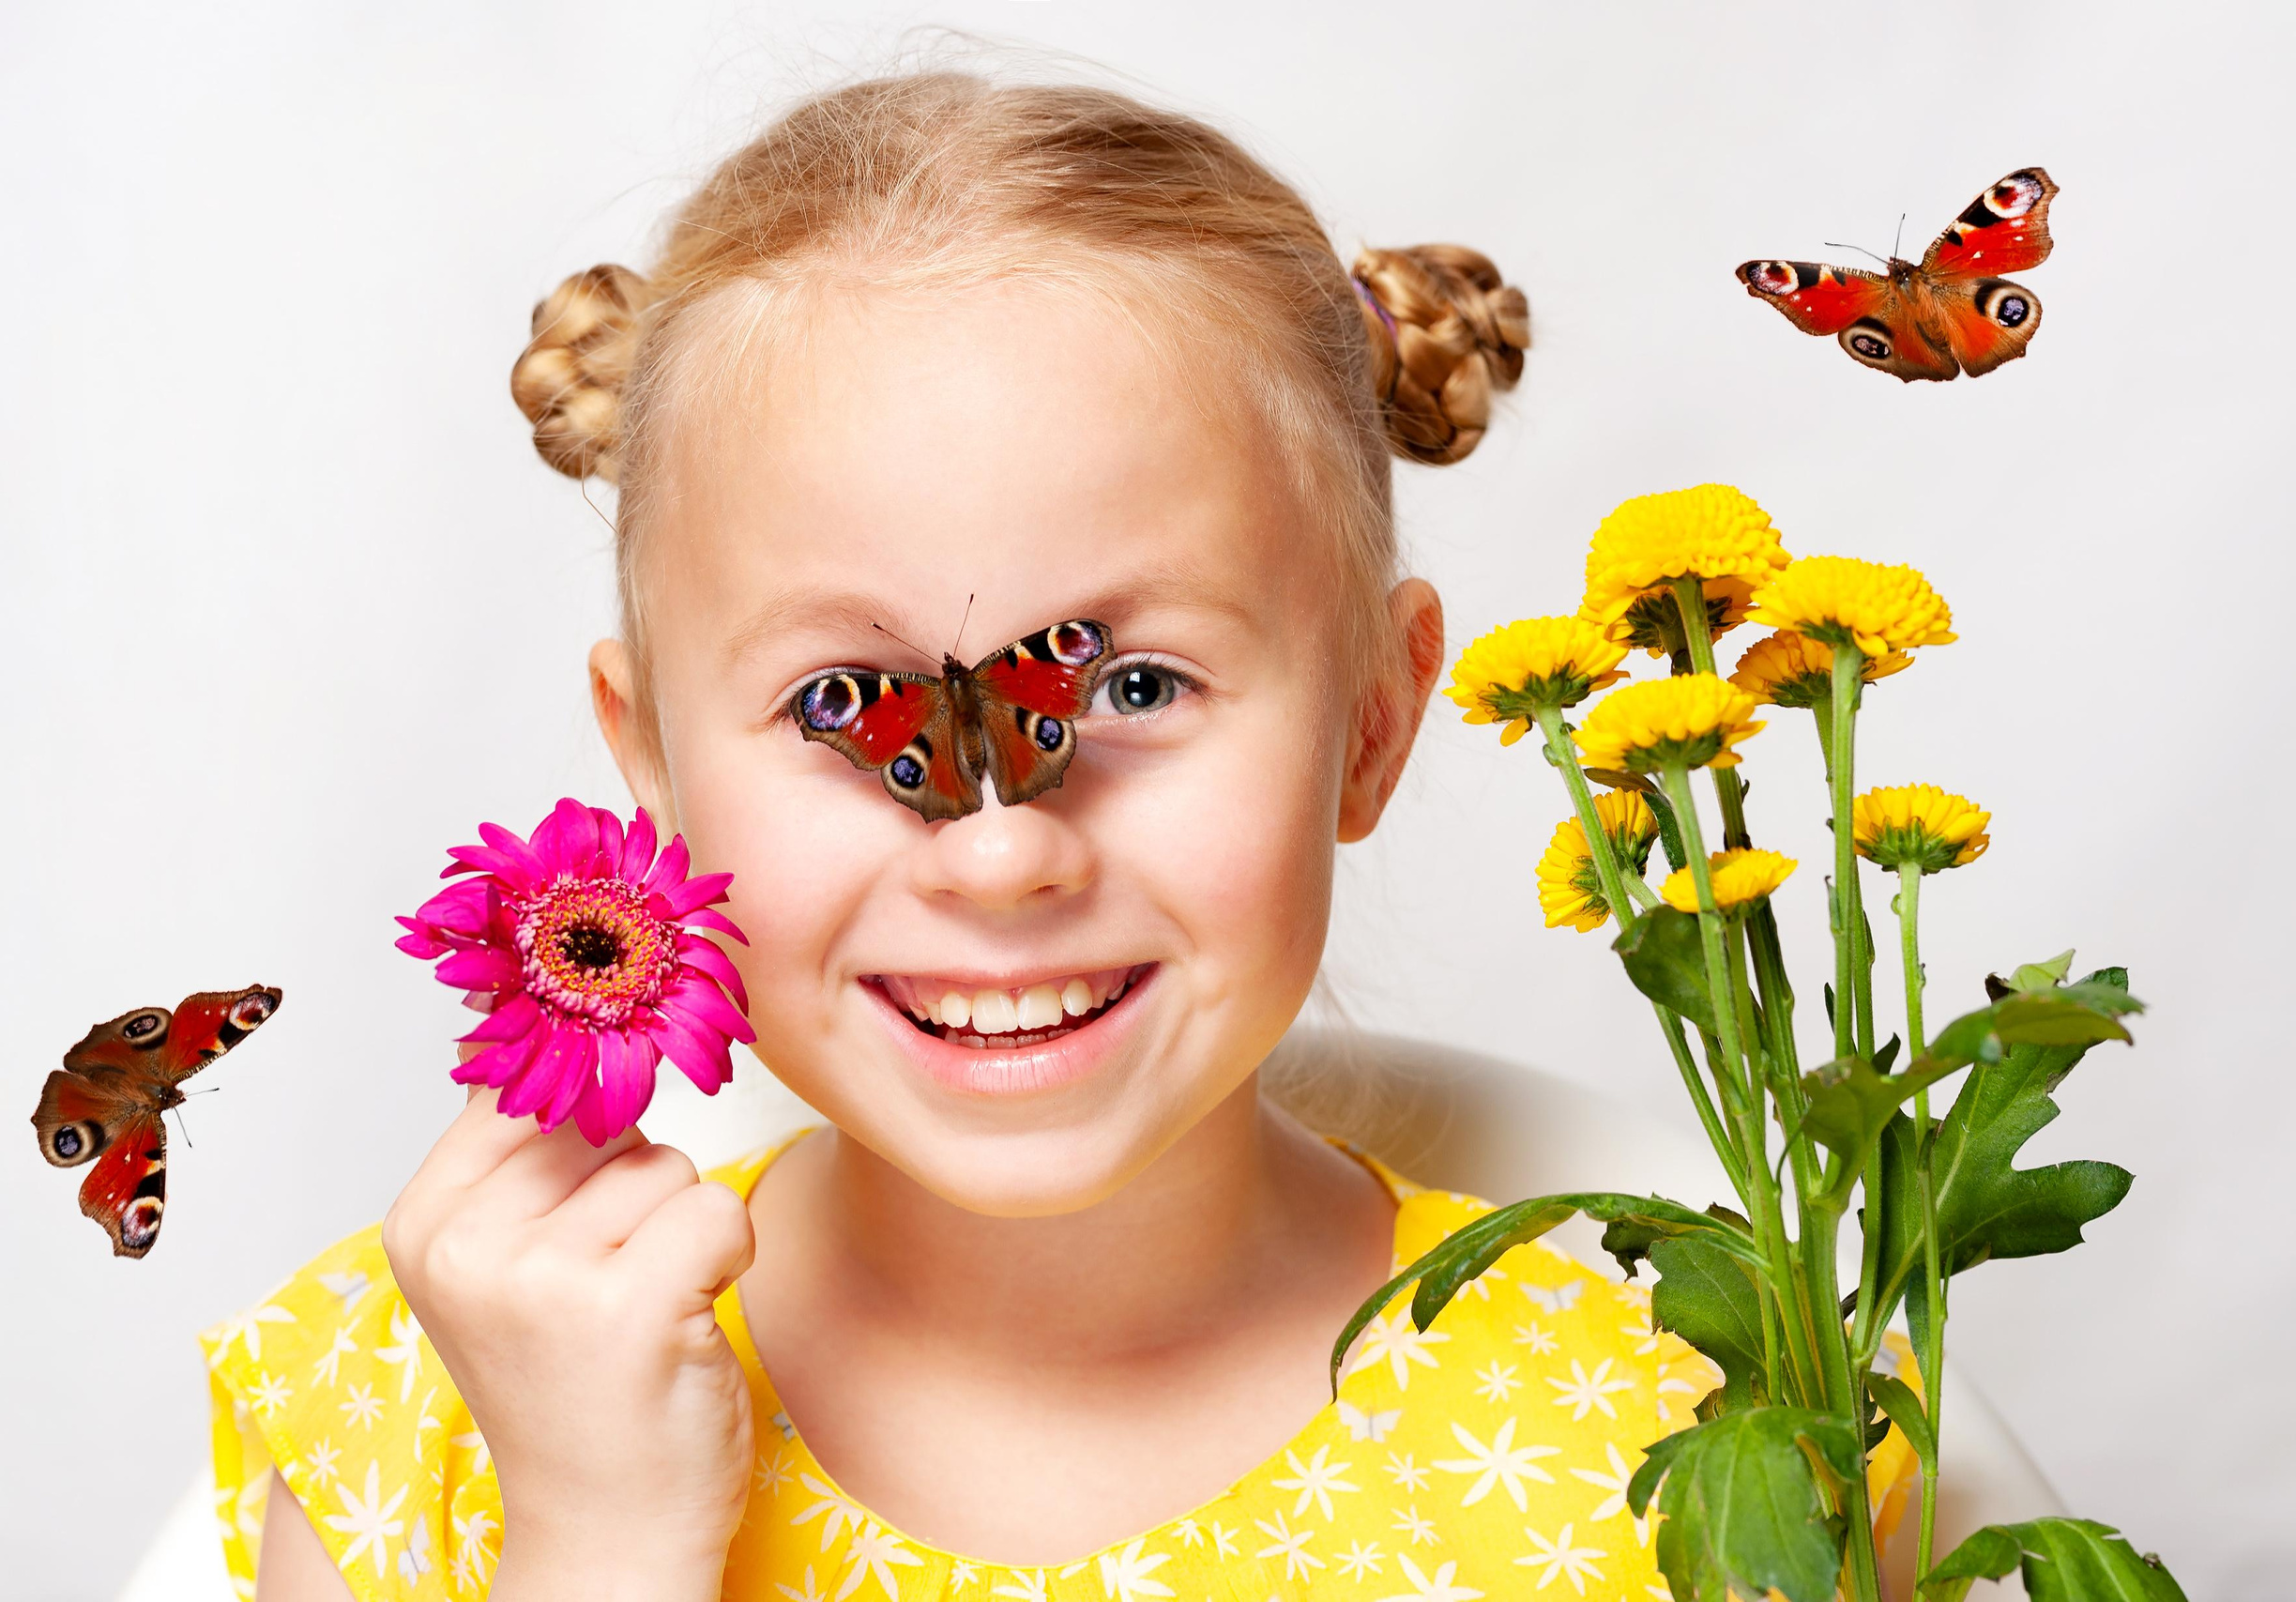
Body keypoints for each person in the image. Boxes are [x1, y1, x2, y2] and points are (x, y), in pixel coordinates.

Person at [206, 68, 1908, 1600]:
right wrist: (597, 1547)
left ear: (1372, 726)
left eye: (1143, 683)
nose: (1001, 852)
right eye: (834, 707)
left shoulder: (1708, 1444)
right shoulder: (439, 1418)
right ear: (652, 767)